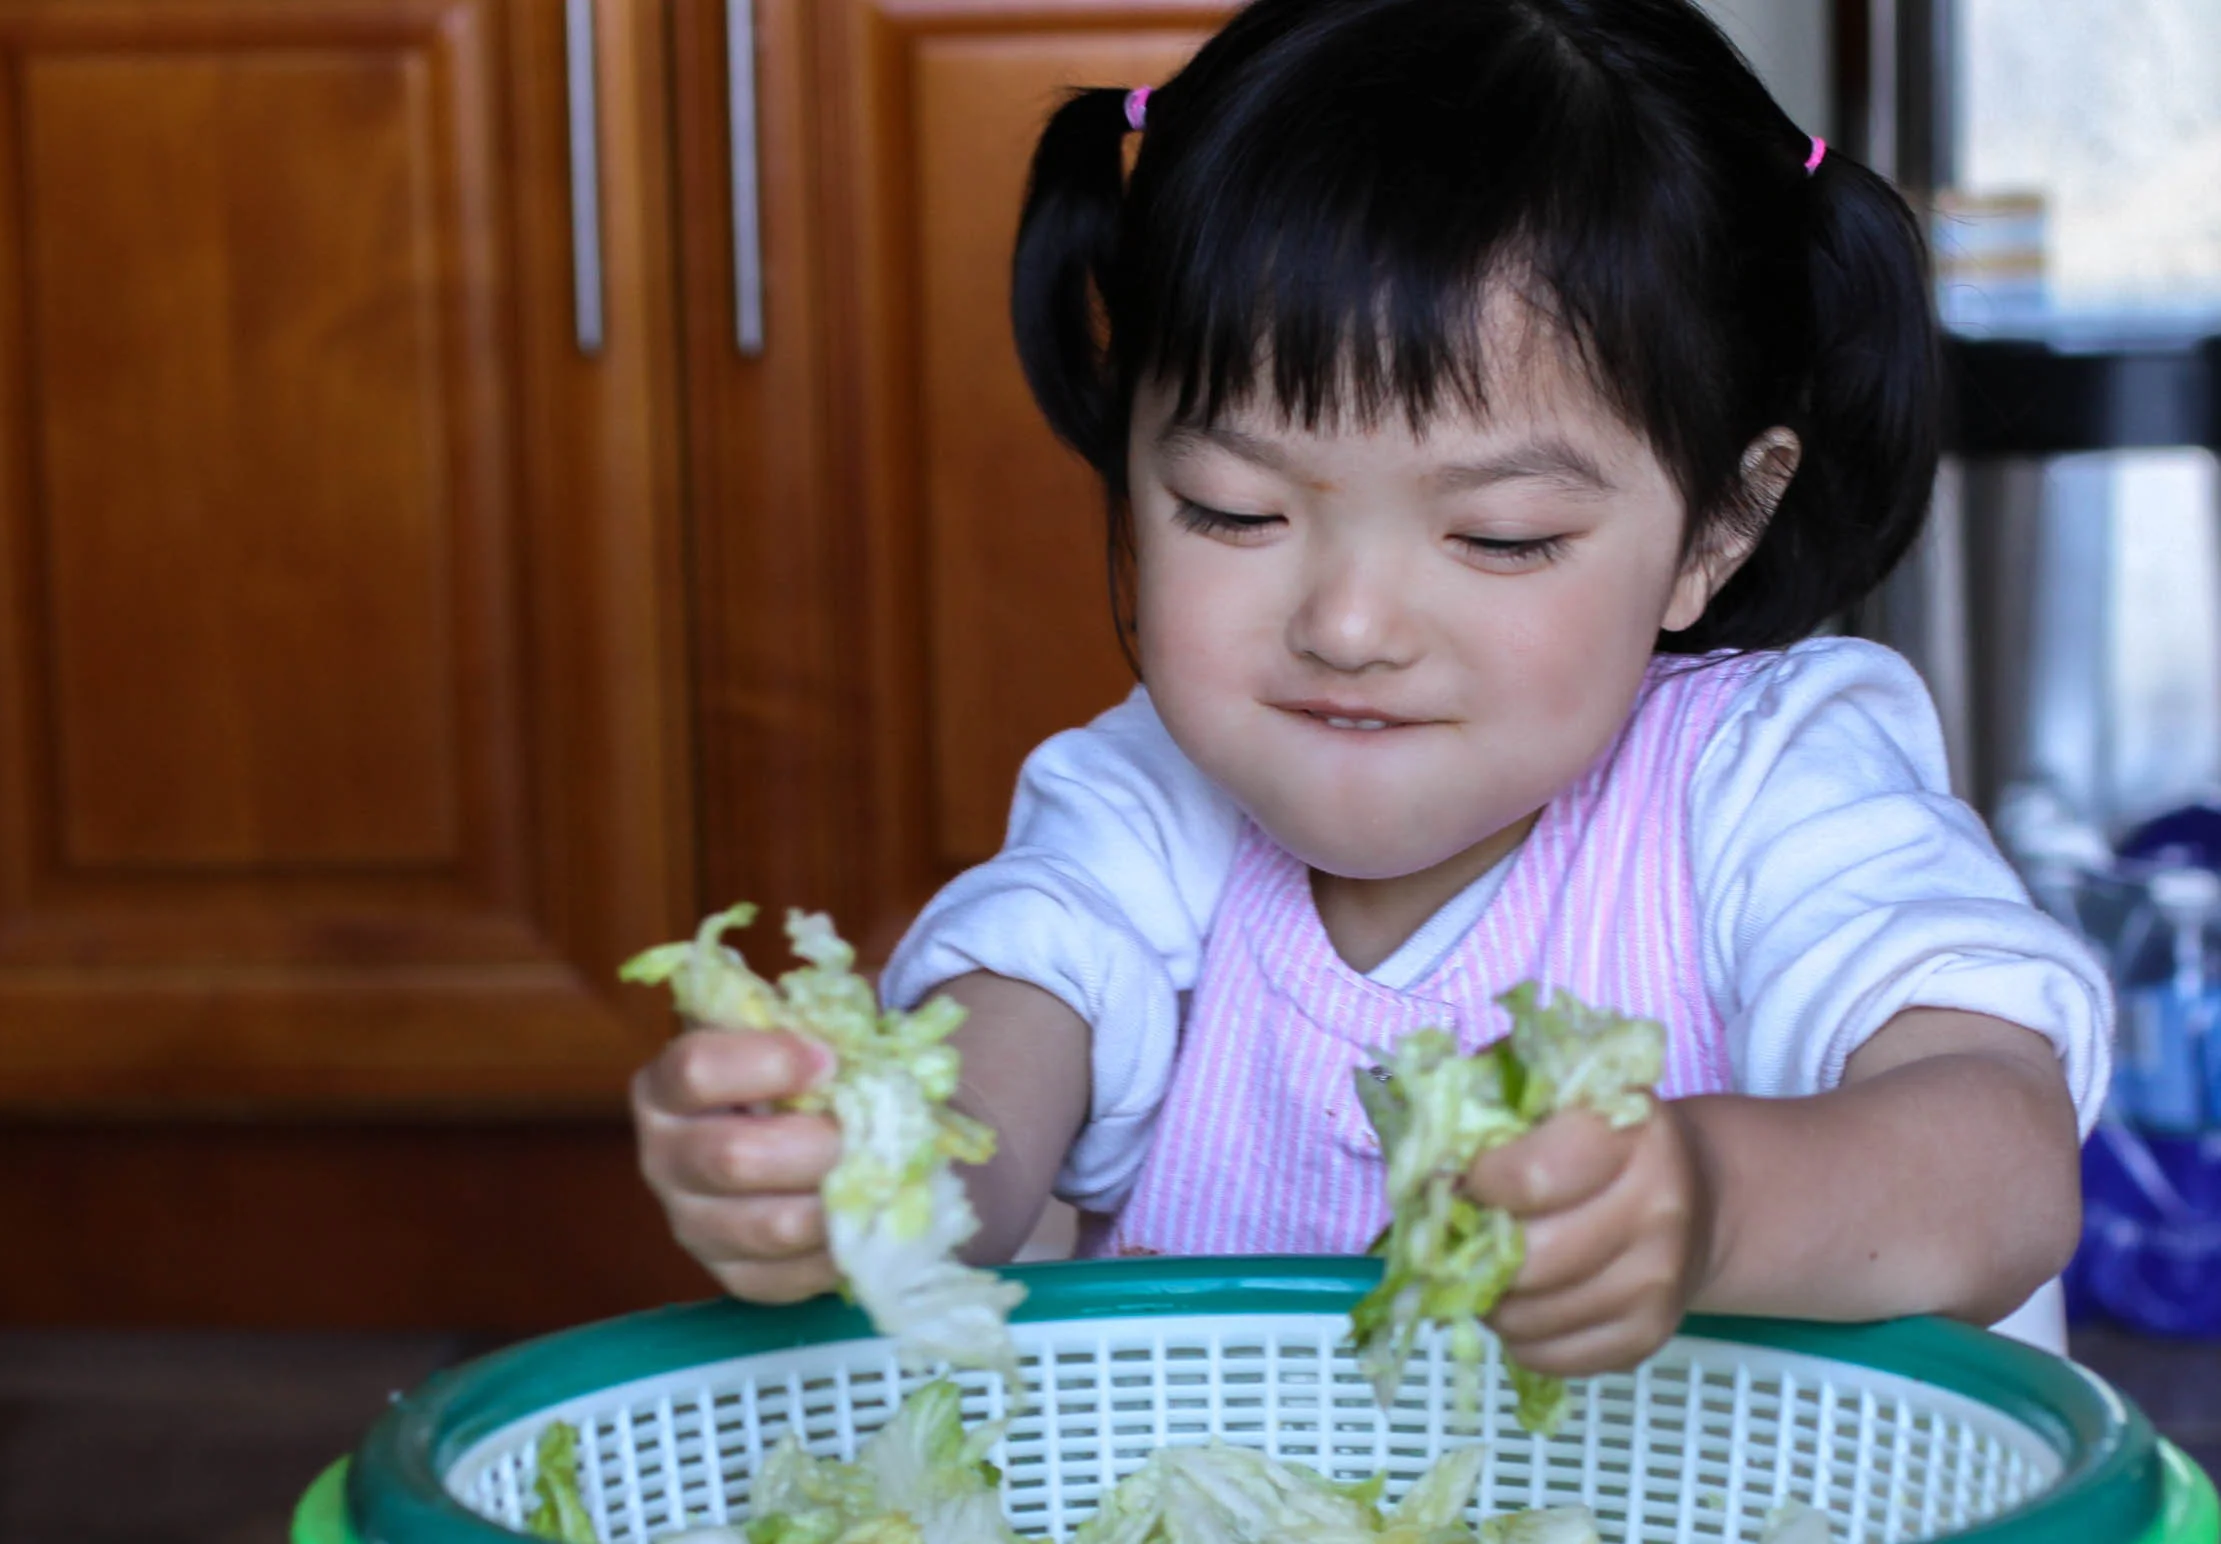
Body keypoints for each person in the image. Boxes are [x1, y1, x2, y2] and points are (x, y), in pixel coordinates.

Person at [631, 0, 2111, 1371]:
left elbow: (2001, 1160)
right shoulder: (1142, 811)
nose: (1346, 625)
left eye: (1500, 536)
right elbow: (986, 1092)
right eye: (1233, 511)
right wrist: (850, 1174)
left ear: (1719, 526)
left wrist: (1713, 1204)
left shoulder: (1770, 784)